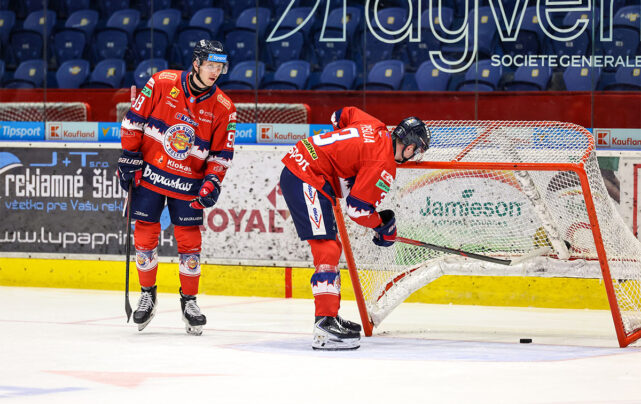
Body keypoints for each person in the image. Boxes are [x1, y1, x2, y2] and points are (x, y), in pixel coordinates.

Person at [279, 106, 430, 350]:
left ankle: (330, 317)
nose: (413, 157)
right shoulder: (384, 164)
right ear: (410, 147)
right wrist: (382, 226)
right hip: (307, 177)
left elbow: (339, 115)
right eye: (416, 152)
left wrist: (341, 157)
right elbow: (358, 210)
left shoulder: (375, 125)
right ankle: (324, 324)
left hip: (304, 166)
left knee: (331, 246)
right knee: (327, 249)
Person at [117, 39, 237, 335]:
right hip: (150, 173)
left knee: (189, 241)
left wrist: (213, 180)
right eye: (210, 65)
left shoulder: (225, 108)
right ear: (196, 63)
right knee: (144, 235)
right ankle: (148, 294)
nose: (215, 71)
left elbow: (221, 154)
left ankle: (189, 301)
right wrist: (129, 156)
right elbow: (133, 121)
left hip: (189, 182)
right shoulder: (162, 81)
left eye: (220, 67)